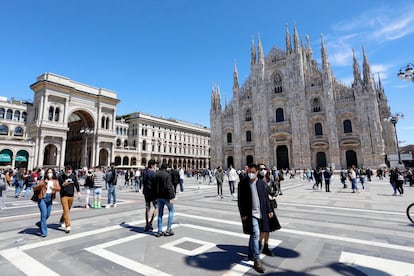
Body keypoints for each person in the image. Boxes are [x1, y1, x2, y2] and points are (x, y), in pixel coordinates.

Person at [237, 163, 274, 274]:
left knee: (254, 234)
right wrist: (243, 213)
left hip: (261, 212)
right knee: (256, 233)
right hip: (250, 213)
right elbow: (241, 201)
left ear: (257, 172)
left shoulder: (261, 183)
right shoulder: (243, 184)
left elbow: (265, 199)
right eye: (249, 172)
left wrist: (269, 210)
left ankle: (250, 253)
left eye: (253, 172)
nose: (251, 174)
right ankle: (257, 259)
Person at [260, 164, 281, 257]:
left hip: (270, 206)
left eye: (264, 169)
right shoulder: (257, 181)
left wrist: (273, 195)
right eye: (261, 169)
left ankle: (266, 246)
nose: (263, 170)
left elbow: (277, 189)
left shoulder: (270, 180)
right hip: (261, 207)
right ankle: (258, 245)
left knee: (268, 228)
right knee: (262, 229)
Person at [33, 168, 61, 237]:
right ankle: (44, 232)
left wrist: (53, 188)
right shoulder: (43, 180)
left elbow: (59, 188)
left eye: (51, 172)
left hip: (50, 198)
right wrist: (43, 184)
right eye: (48, 172)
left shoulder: (55, 181)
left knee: (48, 214)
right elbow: (35, 188)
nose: (50, 174)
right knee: (44, 215)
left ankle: (40, 224)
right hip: (42, 198)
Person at [152, 163, 175, 237]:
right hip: (166, 197)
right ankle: (168, 229)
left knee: (160, 214)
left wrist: (154, 196)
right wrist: (171, 197)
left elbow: (153, 186)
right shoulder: (167, 175)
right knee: (171, 210)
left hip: (158, 197)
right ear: (166, 168)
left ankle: (159, 231)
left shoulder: (156, 174)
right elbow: (169, 187)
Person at [58, 165, 80, 233]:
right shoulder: (61, 176)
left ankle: (62, 220)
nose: (68, 174)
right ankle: (68, 226)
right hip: (63, 195)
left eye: (69, 172)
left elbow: (76, 184)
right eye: (67, 172)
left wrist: (78, 192)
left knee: (67, 210)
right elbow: (60, 185)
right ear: (65, 171)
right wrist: (64, 184)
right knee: (66, 210)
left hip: (71, 195)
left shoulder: (73, 176)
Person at [142, 159, 158, 232]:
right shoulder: (153, 173)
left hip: (146, 192)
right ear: (152, 165)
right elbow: (155, 184)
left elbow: (143, 181)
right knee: (157, 207)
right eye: (155, 165)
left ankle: (146, 224)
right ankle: (150, 222)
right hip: (153, 193)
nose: (155, 166)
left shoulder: (144, 172)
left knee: (147, 208)